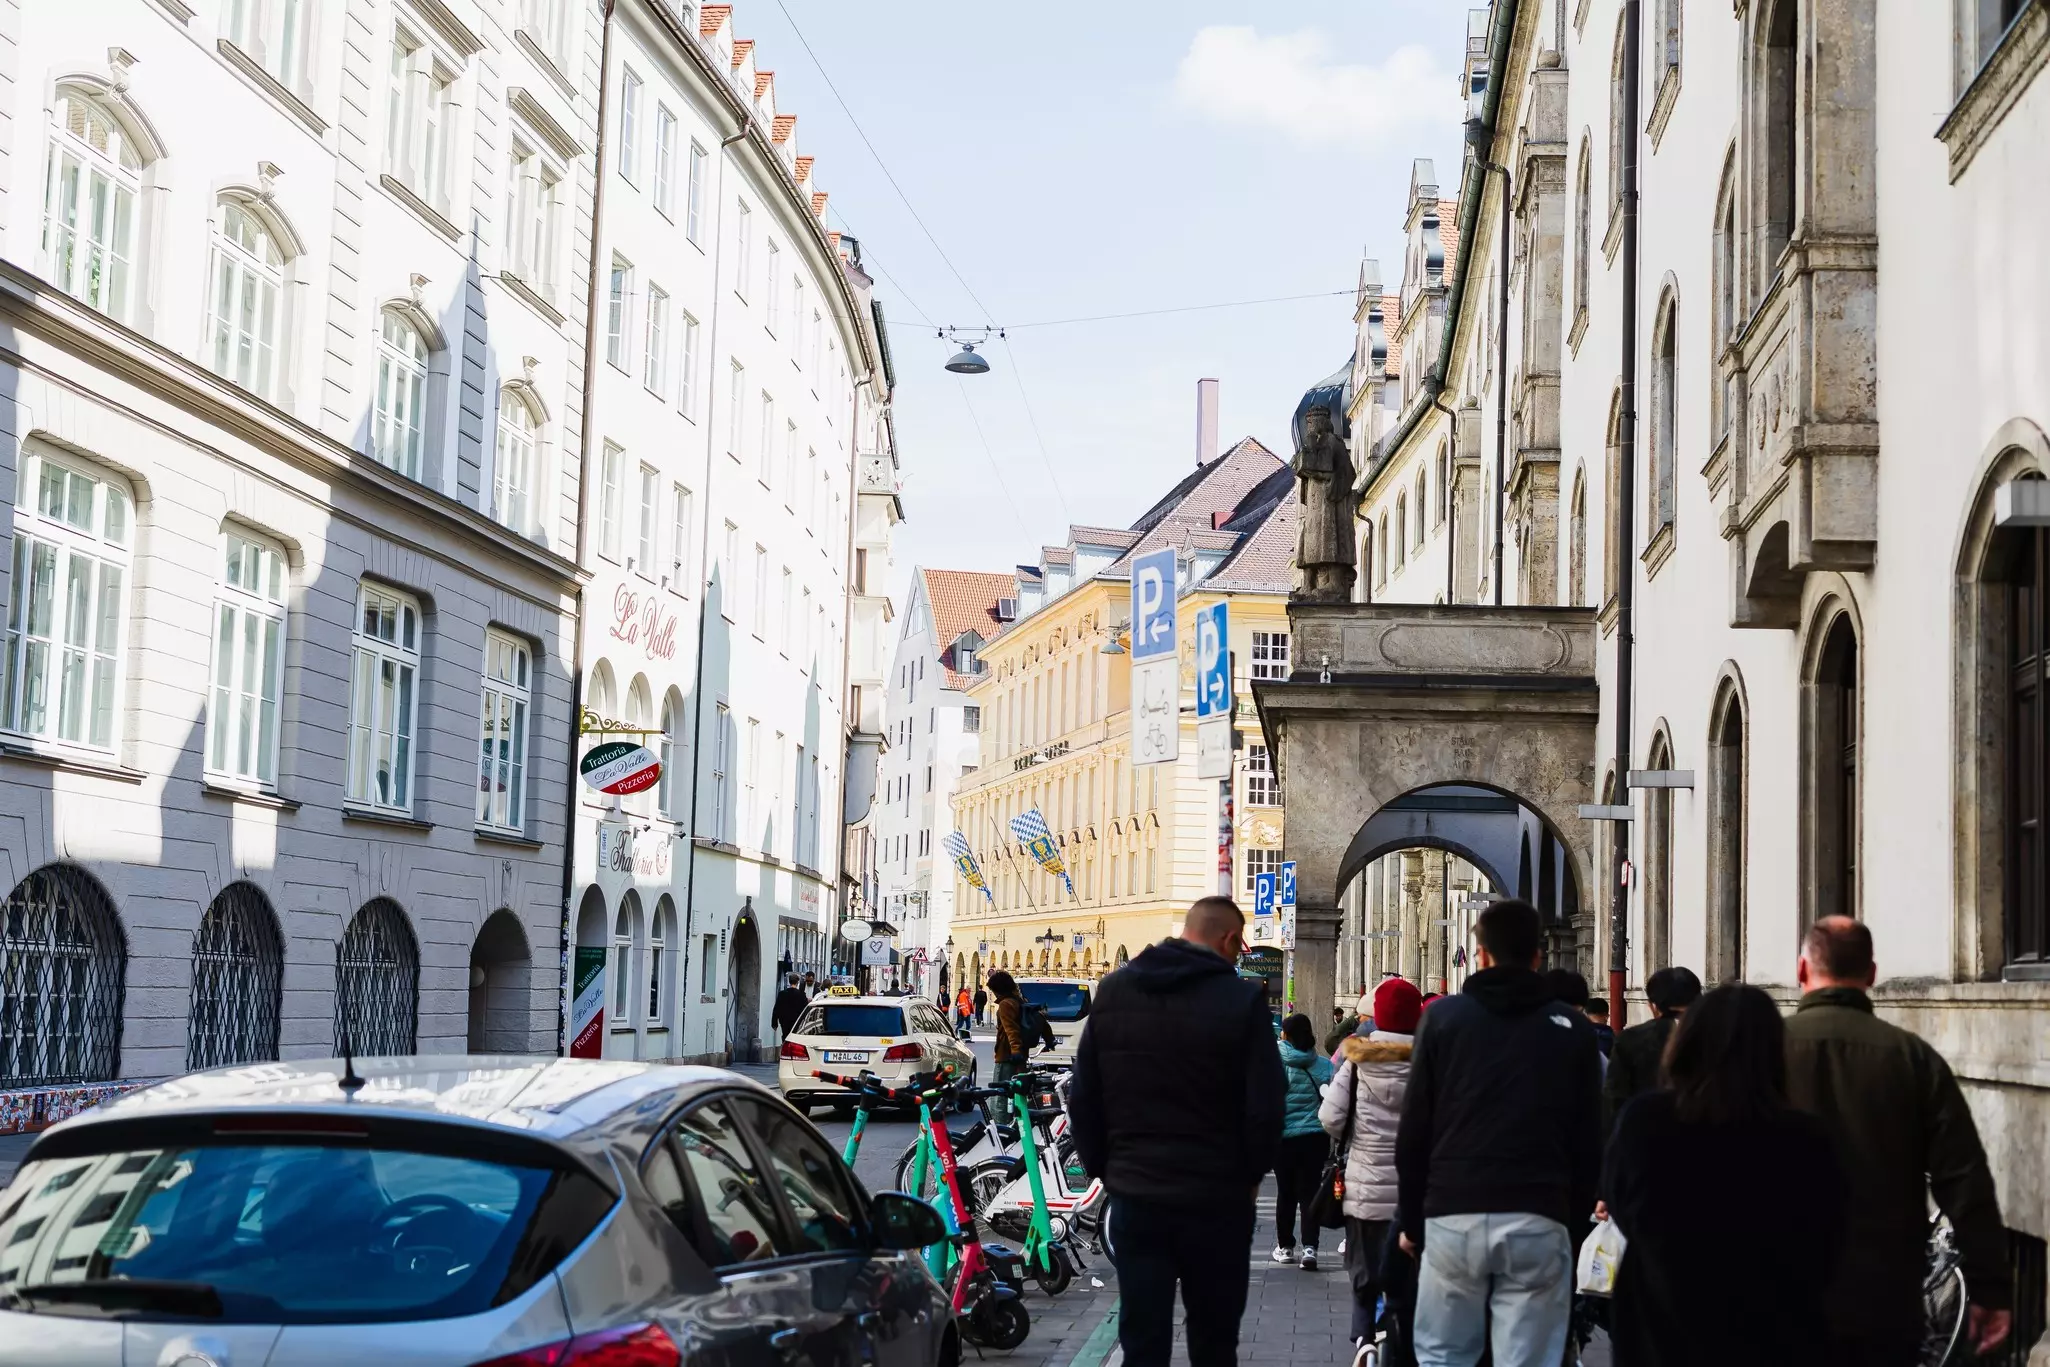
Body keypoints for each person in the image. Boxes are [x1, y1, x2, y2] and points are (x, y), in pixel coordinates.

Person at [1785, 916, 2012, 1365]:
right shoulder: (1912, 1058)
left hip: (1777, 1287)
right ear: (1871, 974)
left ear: (1801, 970)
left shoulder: (1760, 1050)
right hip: (1883, 1293)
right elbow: (1964, 1179)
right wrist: (1991, 1287)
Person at [1068, 897, 1285, 1367]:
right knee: (1214, 1340)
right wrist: (1249, 1177)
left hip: (1137, 1195)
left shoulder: (1116, 991)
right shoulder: (1241, 999)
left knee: (1143, 1341)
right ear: (1228, 939)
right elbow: (1267, 1105)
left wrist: (1106, 1169)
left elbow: (1083, 1097)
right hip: (1217, 1199)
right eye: (1239, 948)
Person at [1393, 898, 1602, 1367]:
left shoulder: (1444, 1019)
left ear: (1481, 954)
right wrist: (1569, 1223)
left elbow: (1415, 1130)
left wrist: (1410, 1220)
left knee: (1444, 1355)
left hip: (1452, 1211)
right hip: (1538, 1213)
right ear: (1537, 958)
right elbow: (1589, 1139)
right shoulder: (1571, 1028)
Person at [1602, 984, 1846, 1366]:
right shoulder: (1806, 1138)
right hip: (1772, 1331)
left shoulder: (1647, 1120)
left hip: (1661, 1327)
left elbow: (1623, 1204)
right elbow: (1824, 1243)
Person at [1321, 975, 1423, 1367]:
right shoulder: (1430, 1060)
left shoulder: (1358, 1063)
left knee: (1364, 1270)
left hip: (1365, 1187)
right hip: (1415, 1192)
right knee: (1411, 1273)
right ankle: (1401, 1339)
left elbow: (1331, 1117)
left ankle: (1364, 1340)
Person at [1602, 965, 1700, 1137]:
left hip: (1647, 1138)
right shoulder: (1722, 1036)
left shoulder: (1631, 1039)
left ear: (1653, 1006)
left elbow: (1615, 1099)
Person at [1272, 1013, 1336, 1270]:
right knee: (1310, 1193)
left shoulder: (1274, 1064)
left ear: (1284, 1035)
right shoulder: (1324, 1066)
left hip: (1283, 1138)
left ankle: (1285, 1247)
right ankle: (1311, 1248)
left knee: (1285, 1192)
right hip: (1314, 1138)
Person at [988, 970, 1029, 1082]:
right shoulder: (1020, 1001)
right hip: (1022, 1054)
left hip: (1006, 1055)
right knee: (1018, 1091)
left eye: (993, 990)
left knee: (1000, 1094)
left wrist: (1015, 1050)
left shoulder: (1005, 1004)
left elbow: (1011, 1030)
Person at [771, 973, 808, 1039]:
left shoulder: (782, 994)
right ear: (797, 982)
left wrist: (774, 1023)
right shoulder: (801, 995)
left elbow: (777, 1008)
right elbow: (805, 1009)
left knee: (785, 1036)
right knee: (795, 1038)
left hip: (784, 1020)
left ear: (789, 981)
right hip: (797, 1021)